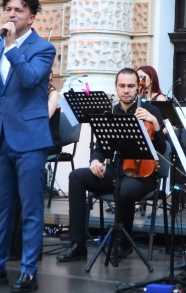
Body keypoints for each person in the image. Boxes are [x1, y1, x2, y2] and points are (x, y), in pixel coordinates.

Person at [0, 0, 57, 292]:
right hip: (1, 136)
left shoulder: (44, 48)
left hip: (31, 138)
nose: (10, 14)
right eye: (7, 9)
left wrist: (11, 46)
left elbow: (30, 79)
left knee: (31, 208)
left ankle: (29, 270)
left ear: (32, 17)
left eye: (18, 10)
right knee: (0, 207)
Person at [58, 67, 161, 263]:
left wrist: (155, 123)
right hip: (116, 170)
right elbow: (100, 148)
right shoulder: (111, 112)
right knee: (77, 177)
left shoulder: (151, 111)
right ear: (116, 87)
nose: (126, 90)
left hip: (143, 174)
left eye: (131, 86)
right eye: (122, 86)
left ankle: (124, 242)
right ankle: (77, 244)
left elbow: (163, 149)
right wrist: (95, 160)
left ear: (138, 88)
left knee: (124, 191)